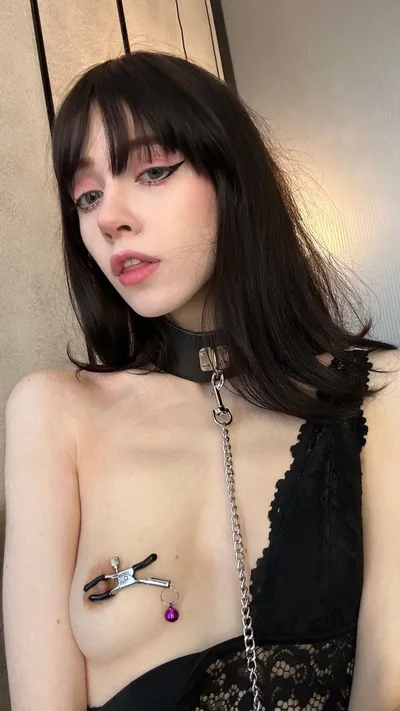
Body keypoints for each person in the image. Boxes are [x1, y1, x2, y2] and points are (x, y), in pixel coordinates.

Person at [3, 50, 400, 711]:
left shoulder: (380, 392)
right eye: (87, 196)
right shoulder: (52, 413)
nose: (109, 218)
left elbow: (388, 682)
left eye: (152, 171)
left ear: (230, 174)